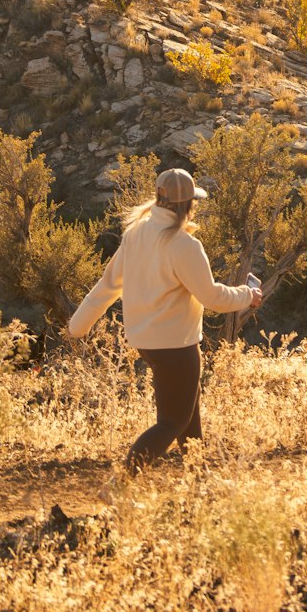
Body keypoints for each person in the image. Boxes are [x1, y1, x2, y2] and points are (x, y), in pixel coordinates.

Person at [68, 167, 261, 471]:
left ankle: (199, 483)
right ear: (189, 204)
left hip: (147, 341)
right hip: (176, 345)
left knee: (188, 415)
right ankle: (120, 485)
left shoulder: (136, 234)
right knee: (173, 421)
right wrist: (247, 295)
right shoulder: (184, 245)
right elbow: (212, 297)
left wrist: (77, 326)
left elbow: (108, 285)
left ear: (158, 198)